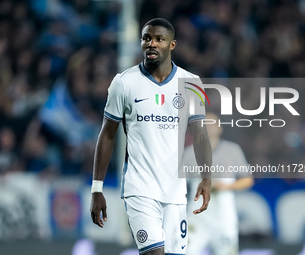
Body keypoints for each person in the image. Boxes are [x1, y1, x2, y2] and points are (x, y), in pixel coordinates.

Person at [90, 18, 212, 255]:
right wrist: (97, 188)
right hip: (140, 189)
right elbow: (107, 134)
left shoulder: (191, 83)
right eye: (147, 38)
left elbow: (200, 135)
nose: (152, 44)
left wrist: (207, 177)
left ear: (172, 45)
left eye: (159, 39)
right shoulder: (124, 83)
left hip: (175, 192)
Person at [185, 113, 254, 255]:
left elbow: (248, 179)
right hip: (197, 218)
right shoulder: (189, 153)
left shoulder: (232, 150)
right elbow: (179, 184)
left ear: (220, 128)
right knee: (188, 251)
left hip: (224, 219)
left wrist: (227, 187)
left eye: (212, 124)